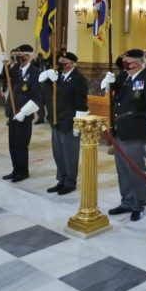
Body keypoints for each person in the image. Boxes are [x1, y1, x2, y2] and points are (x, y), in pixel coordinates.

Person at [101, 49, 146, 221]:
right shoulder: (125, 77)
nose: (125, 65)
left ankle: (139, 204)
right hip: (120, 129)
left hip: (136, 130)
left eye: (128, 63)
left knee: (137, 170)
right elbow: (116, 96)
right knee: (122, 170)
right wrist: (110, 83)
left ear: (138, 63)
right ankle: (127, 201)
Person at [39, 51, 89, 195]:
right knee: (58, 153)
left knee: (69, 154)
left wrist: (78, 124)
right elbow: (40, 81)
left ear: (72, 64)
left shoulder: (78, 79)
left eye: (64, 63)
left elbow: (82, 104)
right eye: (60, 62)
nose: (62, 65)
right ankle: (61, 179)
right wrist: (48, 73)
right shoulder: (58, 76)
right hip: (56, 120)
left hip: (69, 122)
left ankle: (70, 181)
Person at [0, 44, 41, 182]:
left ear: (30, 56)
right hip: (12, 112)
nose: (21, 58)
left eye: (24, 56)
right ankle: (15, 170)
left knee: (21, 144)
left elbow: (37, 98)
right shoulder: (14, 69)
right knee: (12, 144)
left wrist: (24, 112)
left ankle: (23, 172)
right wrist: (0, 61)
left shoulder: (35, 72)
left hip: (24, 114)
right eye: (19, 56)